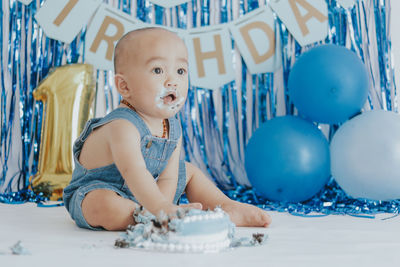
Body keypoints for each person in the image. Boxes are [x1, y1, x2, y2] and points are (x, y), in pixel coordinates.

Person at [63, 27, 271, 231]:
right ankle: (149, 217)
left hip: (149, 193)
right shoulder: (122, 126)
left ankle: (225, 206)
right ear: (125, 87)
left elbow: (168, 178)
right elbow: (133, 172)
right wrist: (161, 209)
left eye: (180, 71)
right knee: (104, 205)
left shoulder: (172, 127)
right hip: (100, 191)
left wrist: (164, 205)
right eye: (158, 70)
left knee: (188, 170)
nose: (172, 81)